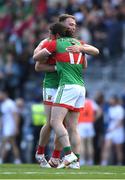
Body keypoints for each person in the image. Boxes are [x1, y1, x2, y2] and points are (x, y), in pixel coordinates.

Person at [34, 14, 99, 168]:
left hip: (66, 85)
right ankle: (41, 153)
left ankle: (59, 157)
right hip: (52, 85)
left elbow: (85, 63)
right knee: (52, 123)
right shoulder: (49, 42)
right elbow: (37, 65)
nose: (73, 27)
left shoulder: (75, 44)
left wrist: (80, 50)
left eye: (75, 25)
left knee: (60, 123)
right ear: (62, 25)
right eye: (70, 24)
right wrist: (58, 66)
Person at [78, 92, 102, 165]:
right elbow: (100, 111)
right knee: (90, 144)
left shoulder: (79, 101)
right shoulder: (91, 102)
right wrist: (94, 119)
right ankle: (90, 161)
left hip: (81, 124)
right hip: (89, 124)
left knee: (82, 143)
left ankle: (82, 160)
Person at [101, 95, 125, 165]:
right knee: (106, 147)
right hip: (110, 131)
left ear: (115, 100)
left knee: (118, 149)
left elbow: (120, 121)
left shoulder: (120, 109)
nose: (110, 101)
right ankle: (103, 163)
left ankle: (119, 163)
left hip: (118, 131)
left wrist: (113, 128)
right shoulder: (109, 109)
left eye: (112, 99)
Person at [0, 89, 21, 164]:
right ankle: (17, 160)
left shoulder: (10, 103)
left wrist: (16, 127)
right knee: (12, 144)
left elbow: (16, 115)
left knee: (4, 143)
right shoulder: (3, 104)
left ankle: (1, 159)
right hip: (6, 128)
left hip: (10, 127)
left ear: (5, 94)